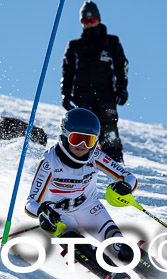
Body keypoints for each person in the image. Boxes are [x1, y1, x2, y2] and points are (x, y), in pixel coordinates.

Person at [25, 108, 167, 279]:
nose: (82, 147)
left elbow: (129, 178)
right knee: (70, 241)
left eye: (89, 141)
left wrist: (124, 187)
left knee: (121, 249)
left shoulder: (95, 156)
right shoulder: (50, 161)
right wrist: (43, 211)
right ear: (64, 136)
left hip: (90, 208)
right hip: (61, 215)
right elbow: (30, 203)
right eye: (77, 139)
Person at [61, 1, 129, 163]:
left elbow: (122, 66)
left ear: (98, 19)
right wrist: (65, 94)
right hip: (83, 96)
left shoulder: (111, 43)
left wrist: (122, 89)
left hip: (106, 95)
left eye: (91, 20)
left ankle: (115, 164)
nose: (89, 24)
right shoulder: (75, 46)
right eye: (85, 21)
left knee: (109, 130)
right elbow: (67, 71)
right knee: (84, 129)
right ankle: (83, 164)